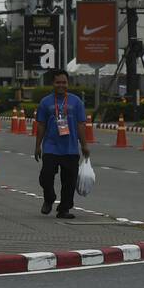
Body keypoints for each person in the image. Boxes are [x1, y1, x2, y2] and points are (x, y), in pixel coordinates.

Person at [33, 69, 90, 219]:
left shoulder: (76, 102)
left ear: (68, 84)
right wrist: (38, 145)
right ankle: (49, 198)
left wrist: (84, 145)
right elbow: (41, 125)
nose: (61, 85)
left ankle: (64, 208)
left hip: (70, 148)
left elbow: (81, 125)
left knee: (69, 181)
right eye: (58, 82)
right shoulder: (45, 102)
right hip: (51, 147)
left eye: (64, 82)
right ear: (53, 83)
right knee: (46, 176)